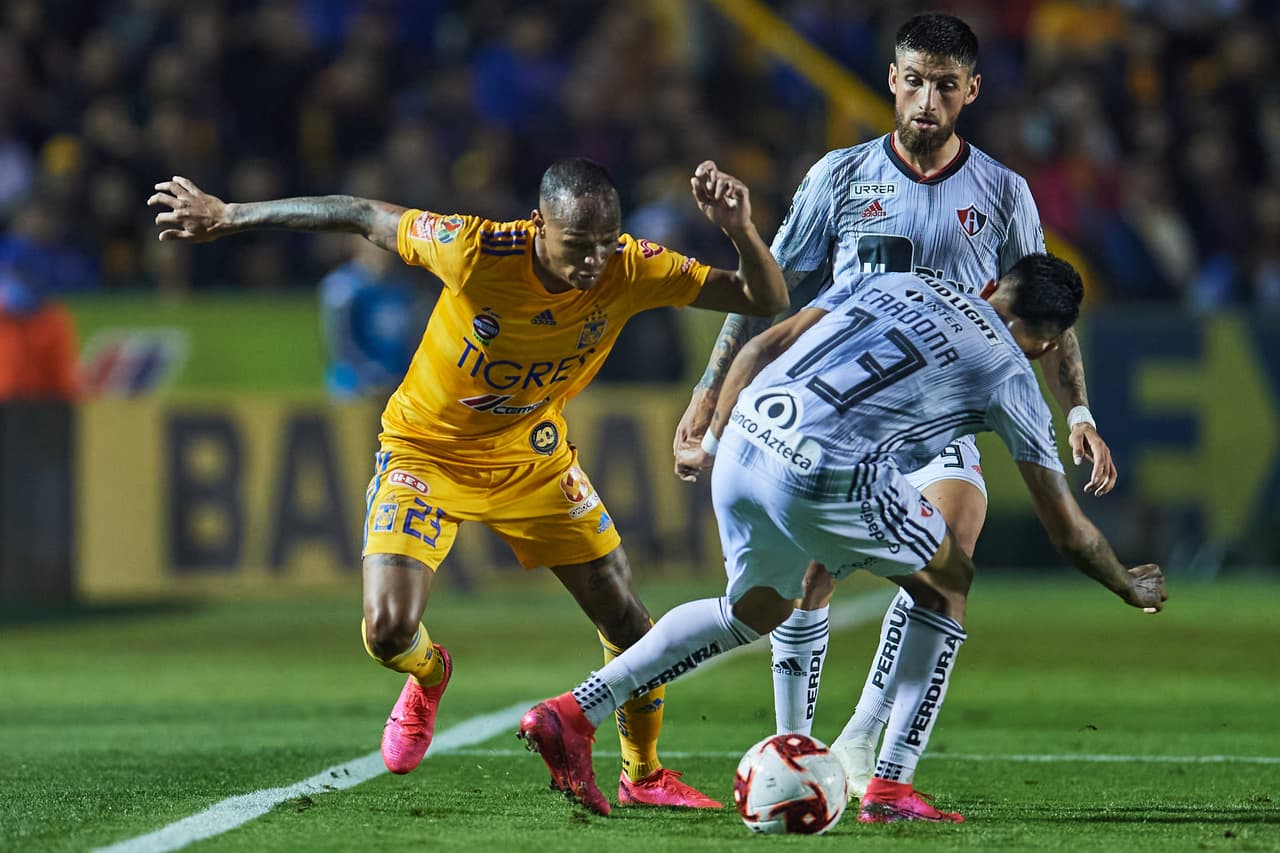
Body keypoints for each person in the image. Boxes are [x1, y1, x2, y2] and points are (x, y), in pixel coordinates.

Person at [148, 157, 788, 809]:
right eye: (577, 245)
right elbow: (360, 212)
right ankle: (429, 674)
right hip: (425, 453)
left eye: (604, 243)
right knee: (388, 630)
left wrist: (739, 230)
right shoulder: (476, 249)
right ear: (539, 225)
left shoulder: (634, 265)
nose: (594, 261)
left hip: (532, 458)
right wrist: (231, 215)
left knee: (627, 618)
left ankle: (643, 772)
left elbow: (763, 298)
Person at [520, 254, 1166, 821]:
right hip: (824, 468)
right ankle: (890, 783)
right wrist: (1126, 581)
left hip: (750, 432)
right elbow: (1068, 529)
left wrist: (714, 438)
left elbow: (759, 347)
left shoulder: (899, 279)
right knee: (949, 579)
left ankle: (573, 711)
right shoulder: (1011, 371)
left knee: (756, 610)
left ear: (994, 284)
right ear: (1049, 343)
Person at [671, 12, 1117, 799]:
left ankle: (871, 748)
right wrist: (710, 391)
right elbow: (767, 292)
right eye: (914, 82)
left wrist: (1077, 413)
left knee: (948, 561)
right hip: (841, 414)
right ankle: (795, 749)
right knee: (810, 580)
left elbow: (1049, 309)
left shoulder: (1002, 191)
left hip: (941, 419)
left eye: (946, 87)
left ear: (971, 91)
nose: (927, 101)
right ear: (892, 80)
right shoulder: (838, 177)